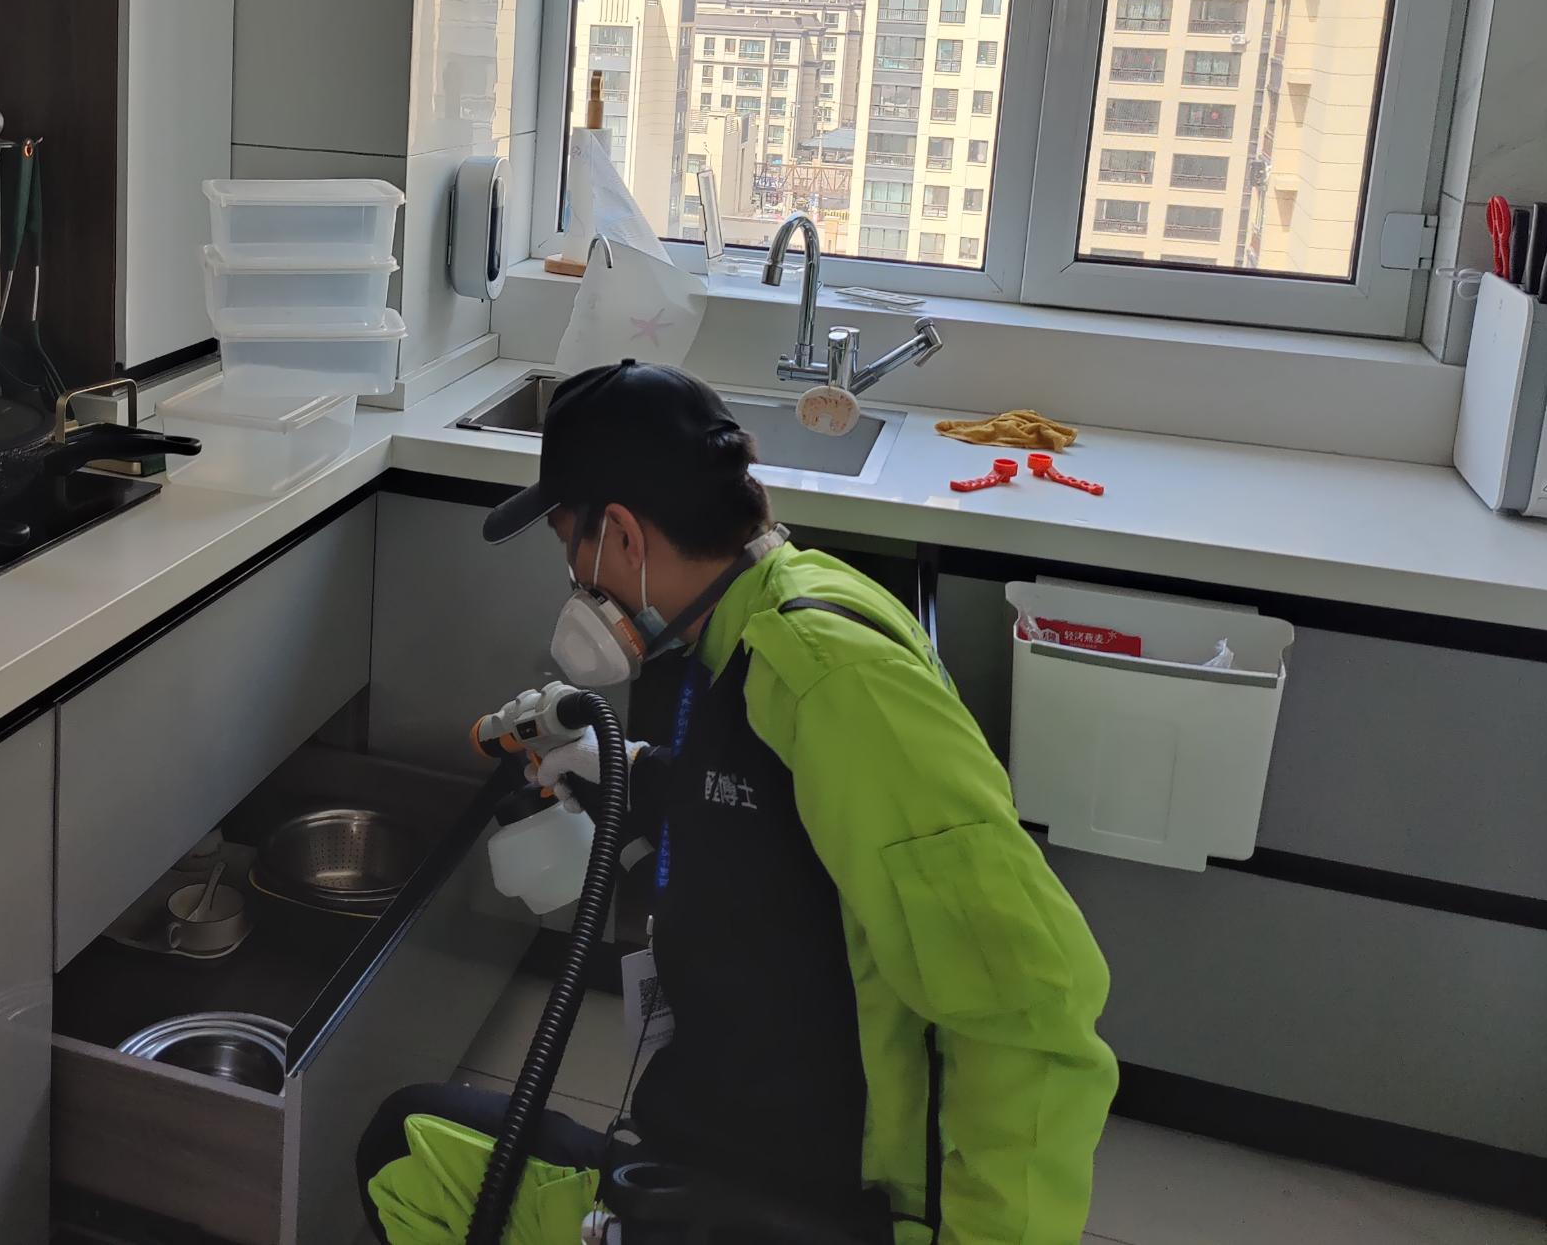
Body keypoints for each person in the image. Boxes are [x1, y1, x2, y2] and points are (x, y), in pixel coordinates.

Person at [360, 360, 1116, 1245]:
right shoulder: (758, 621)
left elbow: (1030, 1008)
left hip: (797, 1202)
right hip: (735, 1128)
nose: (576, 580)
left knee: (407, 1153)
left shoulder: (833, 677)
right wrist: (634, 773)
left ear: (623, 534)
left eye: (572, 548)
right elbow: (780, 811)